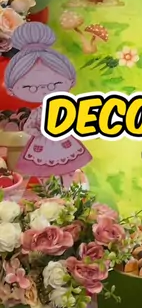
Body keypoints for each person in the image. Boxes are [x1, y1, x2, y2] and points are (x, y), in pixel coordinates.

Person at [4, 22, 91, 186]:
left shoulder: (63, 107)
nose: (43, 89)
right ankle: (50, 191)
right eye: (30, 87)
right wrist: (39, 133)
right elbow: (29, 127)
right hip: (42, 146)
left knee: (68, 169)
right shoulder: (38, 112)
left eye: (54, 84)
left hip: (64, 143)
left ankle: (67, 190)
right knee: (44, 173)